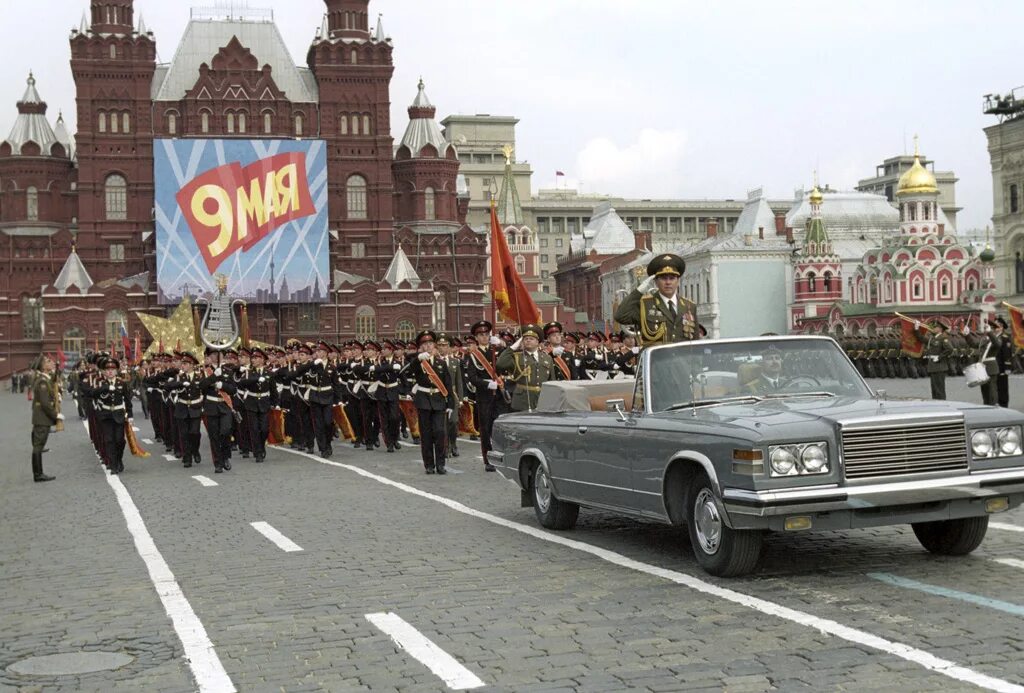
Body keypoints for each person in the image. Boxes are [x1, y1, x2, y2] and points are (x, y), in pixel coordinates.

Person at [403, 330, 458, 475]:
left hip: (439, 401)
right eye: (424, 344)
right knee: (426, 434)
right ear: (421, 347)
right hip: (424, 401)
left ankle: (441, 464)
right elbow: (407, 372)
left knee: (440, 433)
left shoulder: (441, 363)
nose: (428, 346)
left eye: (430, 343)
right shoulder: (418, 362)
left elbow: (447, 384)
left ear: (434, 345)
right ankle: (429, 464)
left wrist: (451, 404)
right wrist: (418, 359)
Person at [613, 253, 699, 345]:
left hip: (682, 358)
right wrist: (638, 292)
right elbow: (621, 316)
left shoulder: (689, 306)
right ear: (656, 281)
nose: (668, 282)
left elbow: (695, 341)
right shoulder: (645, 305)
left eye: (672, 278)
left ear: (678, 281)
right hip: (656, 358)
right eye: (663, 278)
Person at [465, 320, 509, 471]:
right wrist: (487, 384)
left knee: (499, 427)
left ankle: (500, 456)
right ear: (476, 338)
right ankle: (488, 459)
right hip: (484, 396)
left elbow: (509, 361)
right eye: (481, 335)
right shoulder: (473, 356)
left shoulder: (496, 350)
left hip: (499, 396)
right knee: (485, 428)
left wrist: (503, 345)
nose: (484, 337)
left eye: (486, 334)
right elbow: (472, 377)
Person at [82, 356, 134, 474]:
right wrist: (104, 388)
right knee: (109, 440)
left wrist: (130, 416)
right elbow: (92, 394)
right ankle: (113, 464)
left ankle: (119, 459)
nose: (110, 371)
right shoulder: (101, 383)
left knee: (120, 440)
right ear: (104, 372)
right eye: (108, 369)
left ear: (116, 371)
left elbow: (127, 400)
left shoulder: (122, 383)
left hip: (119, 414)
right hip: (105, 415)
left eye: (113, 369)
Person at [497, 324, 556, 412]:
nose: (528, 340)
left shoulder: (547, 358)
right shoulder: (517, 356)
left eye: (531, 339)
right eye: (525, 339)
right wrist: (512, 348)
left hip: (542, 399)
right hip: (522, 400)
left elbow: (552, 380)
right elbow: (500, 364)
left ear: (537, 342)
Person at [30, 354, 61, 482]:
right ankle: (38, 474)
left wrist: (57, 367)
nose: (51, 362)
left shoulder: (45, 379)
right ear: (43, 366)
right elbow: (44, 402)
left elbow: (53, 379)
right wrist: (56, 415)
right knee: (38, 446)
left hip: (41, 417)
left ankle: (38, 473)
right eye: (48, 361)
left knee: (39, 445)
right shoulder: (42, 381)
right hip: (42, 417)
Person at [923, 319, 954, 400]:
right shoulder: (933, 338)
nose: (933, 328)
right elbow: (921, 338)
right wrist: (916, 329)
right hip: (933, 367)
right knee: (934, 390)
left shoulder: (943, 338)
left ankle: (943, 406)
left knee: (939, 390)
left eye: (935, 327)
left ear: (940, 329)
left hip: (939, 366)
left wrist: (939, 357)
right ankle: (936, 405)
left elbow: (950, 349)